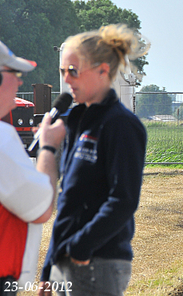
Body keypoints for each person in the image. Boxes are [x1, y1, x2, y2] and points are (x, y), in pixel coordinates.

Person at [38, 24, 149, 296]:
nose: (67, 79)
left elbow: (123, 200)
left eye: (74, 71)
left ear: (102, 70)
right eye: (64, 71)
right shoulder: (76, 122)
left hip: (97, 263)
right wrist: (49, 267)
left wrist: (80, 248)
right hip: (67, 261)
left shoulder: (121, 125)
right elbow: (69, 200)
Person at [0, 41, 64, 295]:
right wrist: (48, 148)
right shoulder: (2, 139)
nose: (20, 83)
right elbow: (41, 208)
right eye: (14, 74)